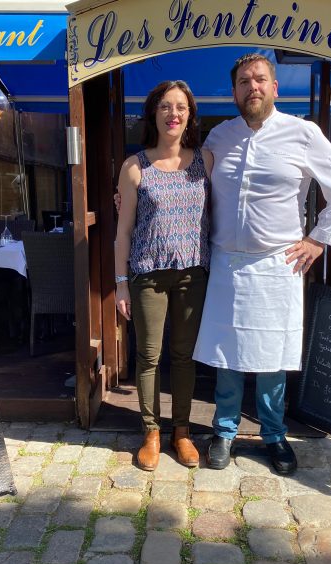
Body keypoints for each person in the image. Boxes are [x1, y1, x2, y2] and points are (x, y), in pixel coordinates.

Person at [193, 54, 331, 475]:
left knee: (271, 357)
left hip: (276, 263)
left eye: (261, 80)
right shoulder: (218, 137)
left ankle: (273, 433)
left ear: (275, 88)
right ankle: (224, 431)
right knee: (226, 355)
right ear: (234, 91)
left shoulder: (303, 133)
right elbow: (188, 181)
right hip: (228, 262)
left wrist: (319, 239)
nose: (253, 87)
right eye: (245, 81)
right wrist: (132, 194)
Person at [114, 80, 212, 471]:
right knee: (149, 356)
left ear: (189, 116)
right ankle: (152, 432)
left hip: (193, 273)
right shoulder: (134, 166)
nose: (174, 114)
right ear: (153, 113)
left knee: (185, 357)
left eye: (181, 107)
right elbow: (123, 231)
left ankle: (182, 432)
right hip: (148, 275)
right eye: (166, 107)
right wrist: (120, 282)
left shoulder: (207, 160)